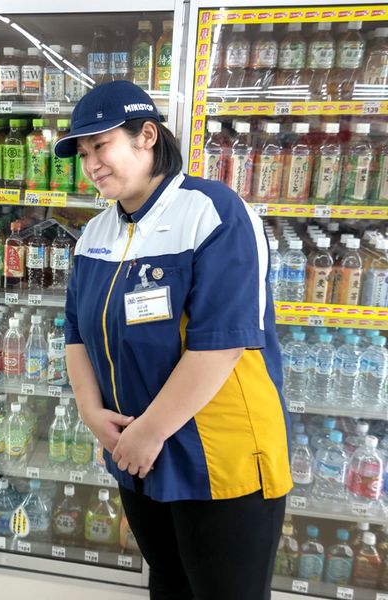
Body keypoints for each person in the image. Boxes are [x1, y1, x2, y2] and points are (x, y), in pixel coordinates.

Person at [56, 80, 290, 600]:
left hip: (218, 456)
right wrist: (92, 414)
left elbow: (222, 342)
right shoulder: (96, 233)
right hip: (137, 452)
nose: (91, 164)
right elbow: (75, 332)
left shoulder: (212, 212)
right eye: (83, 153)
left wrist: (150, 431)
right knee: (168, 585)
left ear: (146, 136)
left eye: (101, 146)